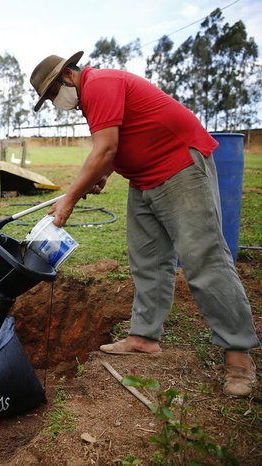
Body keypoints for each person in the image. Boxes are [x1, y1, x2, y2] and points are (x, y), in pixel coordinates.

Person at [30, 51, 259, 397]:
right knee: (147, 259)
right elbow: (118, 144)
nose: (53, 102)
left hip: (180, 168)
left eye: (51, 94)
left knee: (203, 259)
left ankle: (239, 355)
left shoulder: (100, 85)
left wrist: (69, 200)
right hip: (144, 180)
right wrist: (104, 175)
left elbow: (104, 148)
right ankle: (143, 337)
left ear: (67, 76)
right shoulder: (92, 100)